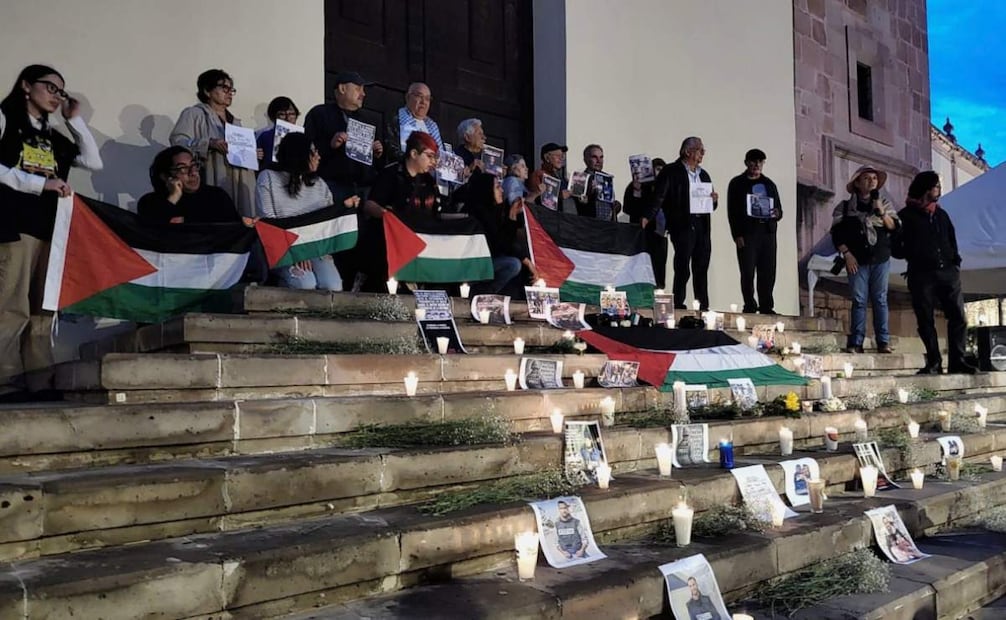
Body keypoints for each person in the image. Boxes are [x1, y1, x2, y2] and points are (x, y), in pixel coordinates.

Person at [0, 64, 102, 397]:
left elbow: (92, 161)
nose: (57, 96)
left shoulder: (53, 136)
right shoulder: (6, 120)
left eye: (61, 91)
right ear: (26, 86)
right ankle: (6, 379)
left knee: (43, 310)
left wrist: (75, 121)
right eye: (50, 88)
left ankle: (39, 378)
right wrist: (38, 184)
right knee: (11, 305)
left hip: (50, 229)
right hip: (14, 225)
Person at [895, 171, 978, 374]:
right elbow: (896, 248)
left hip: (948, 273)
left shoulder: (941, 214)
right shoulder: (906, 216)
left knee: (958, 317)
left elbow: (952, 240)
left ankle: (957, 361)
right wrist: (915, 253)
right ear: (925, 188)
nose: (938, 190)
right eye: (935, 186)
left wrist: (954, 263)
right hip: (921, 274)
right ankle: (934, 361)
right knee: (925, 319)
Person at [256, 132, 360, 291]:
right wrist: (297, 253)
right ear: (299, 154)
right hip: (283, 251)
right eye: (313, 152)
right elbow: (269, 223)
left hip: (315, 249)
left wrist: (345, 206)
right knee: (305, 283)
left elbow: (327, 219)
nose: (318, 156)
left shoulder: (319, 184)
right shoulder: (268, 178)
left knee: (333, 285)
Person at [830, 165, 900, 354]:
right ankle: (856, 341)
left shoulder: (884, 203)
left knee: (880, 299)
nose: (872, 182)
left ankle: (883, 341)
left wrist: (881, 212)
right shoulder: (844, 207)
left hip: (880, 258)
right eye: (867, 178)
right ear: (858, 183)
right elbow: (836, 233)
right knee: (859, 299)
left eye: (875, 179)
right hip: (857, 259)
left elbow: (894, 227)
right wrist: (847, 253)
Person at [360, 131, 441, 292]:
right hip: (388, 246)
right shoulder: (390, 174)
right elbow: (369, 205)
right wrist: (388, 216)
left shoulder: (430, 181)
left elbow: (436, 214)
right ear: (413, 153)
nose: (434, 162)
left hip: (421, 244)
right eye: (430, 156)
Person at [170, 69, 256, 218]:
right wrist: (208, 143)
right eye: (224, 88)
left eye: (231, 89)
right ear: (207, 91)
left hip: (239, 177)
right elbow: (178, 142)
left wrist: (253, 152)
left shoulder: (235, 121)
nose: (229, 93)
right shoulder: (194, 114)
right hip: (212, 172)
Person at [646, 137, 718, 311]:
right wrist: (647, 216)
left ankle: (703, 305)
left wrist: (714, 201)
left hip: (702, 224)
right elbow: (660, 196)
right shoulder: (671, 171)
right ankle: (679, 302)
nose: (703, 153)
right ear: (688, 152)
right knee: (683, 265)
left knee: (701, 265)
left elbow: (710, 203)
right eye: (700, 150)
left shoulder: (704, 174)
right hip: (682, 224)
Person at [727, 149, 783, 314]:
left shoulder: (769, 184)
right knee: (748, 271)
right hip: (748, 233)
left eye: (760, 162)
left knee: (768, 271)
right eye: (754, 161)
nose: (757, 165)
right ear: (746, 163)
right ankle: (750, 305)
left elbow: (779, 208)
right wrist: (737, 234)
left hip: (767, 232)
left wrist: (777, 214)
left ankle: (766, 306)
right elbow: (732, 212)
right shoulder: (737, 183)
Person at [465, 172, 537, 296]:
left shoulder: (496, 211)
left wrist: (513, 214)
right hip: (474, 264)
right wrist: (527, 262)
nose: (502, 190)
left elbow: (507, 240)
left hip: (489, 260)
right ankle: (483, 294)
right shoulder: (479, 213)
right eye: (498, 187)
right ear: (487, 190)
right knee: (513, 264)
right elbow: (500, 244)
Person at [137, 146, 239, 225]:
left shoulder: (217, 196)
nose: (192, 173)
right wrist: (174, 197)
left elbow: (233, 227)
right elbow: (153, 229)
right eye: (183, 168)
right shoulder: (149, 202)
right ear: (165, 176)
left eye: (194, 165)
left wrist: (186, 220)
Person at [624, 157, 667, 288]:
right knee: (642, 267)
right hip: (642, 234)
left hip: (660, 234)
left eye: (662, 170)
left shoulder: (666, 188)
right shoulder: (637, 186)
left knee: (659, 267)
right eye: (657, 169)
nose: (659, 172)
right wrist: (637, 191)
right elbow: (629, 208)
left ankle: (658, 292)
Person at [385, 82, 444, 161]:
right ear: (407, 97)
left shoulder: (432, 126)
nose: (423, 102)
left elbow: (441, 155)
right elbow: (391, 150)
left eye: (427, 98)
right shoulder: (396, 121)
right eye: (419, 96)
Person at [573, 144, 621, 220]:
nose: (599, 161)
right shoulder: (579, 178)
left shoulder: (607, 178)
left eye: (601, 157)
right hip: (589, 225)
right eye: (594, 157)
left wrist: (615, 206)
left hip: (608, 226)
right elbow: (578, 205)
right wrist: (589, 192)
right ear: (585, 159)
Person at [256, 96, 300, 172]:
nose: (288, 118)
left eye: (292, 114)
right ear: (273, 117)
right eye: (282, 114)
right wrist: (255, 156)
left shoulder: (303, 136)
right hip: (272, 177)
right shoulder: (264, 136)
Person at [527, 142, 571, 208]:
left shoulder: (562, 176)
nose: (561, 158)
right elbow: (536, 201)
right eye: (558, 155)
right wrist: (559, 196)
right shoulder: (538, 175)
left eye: (562, 156)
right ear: (547, 158)